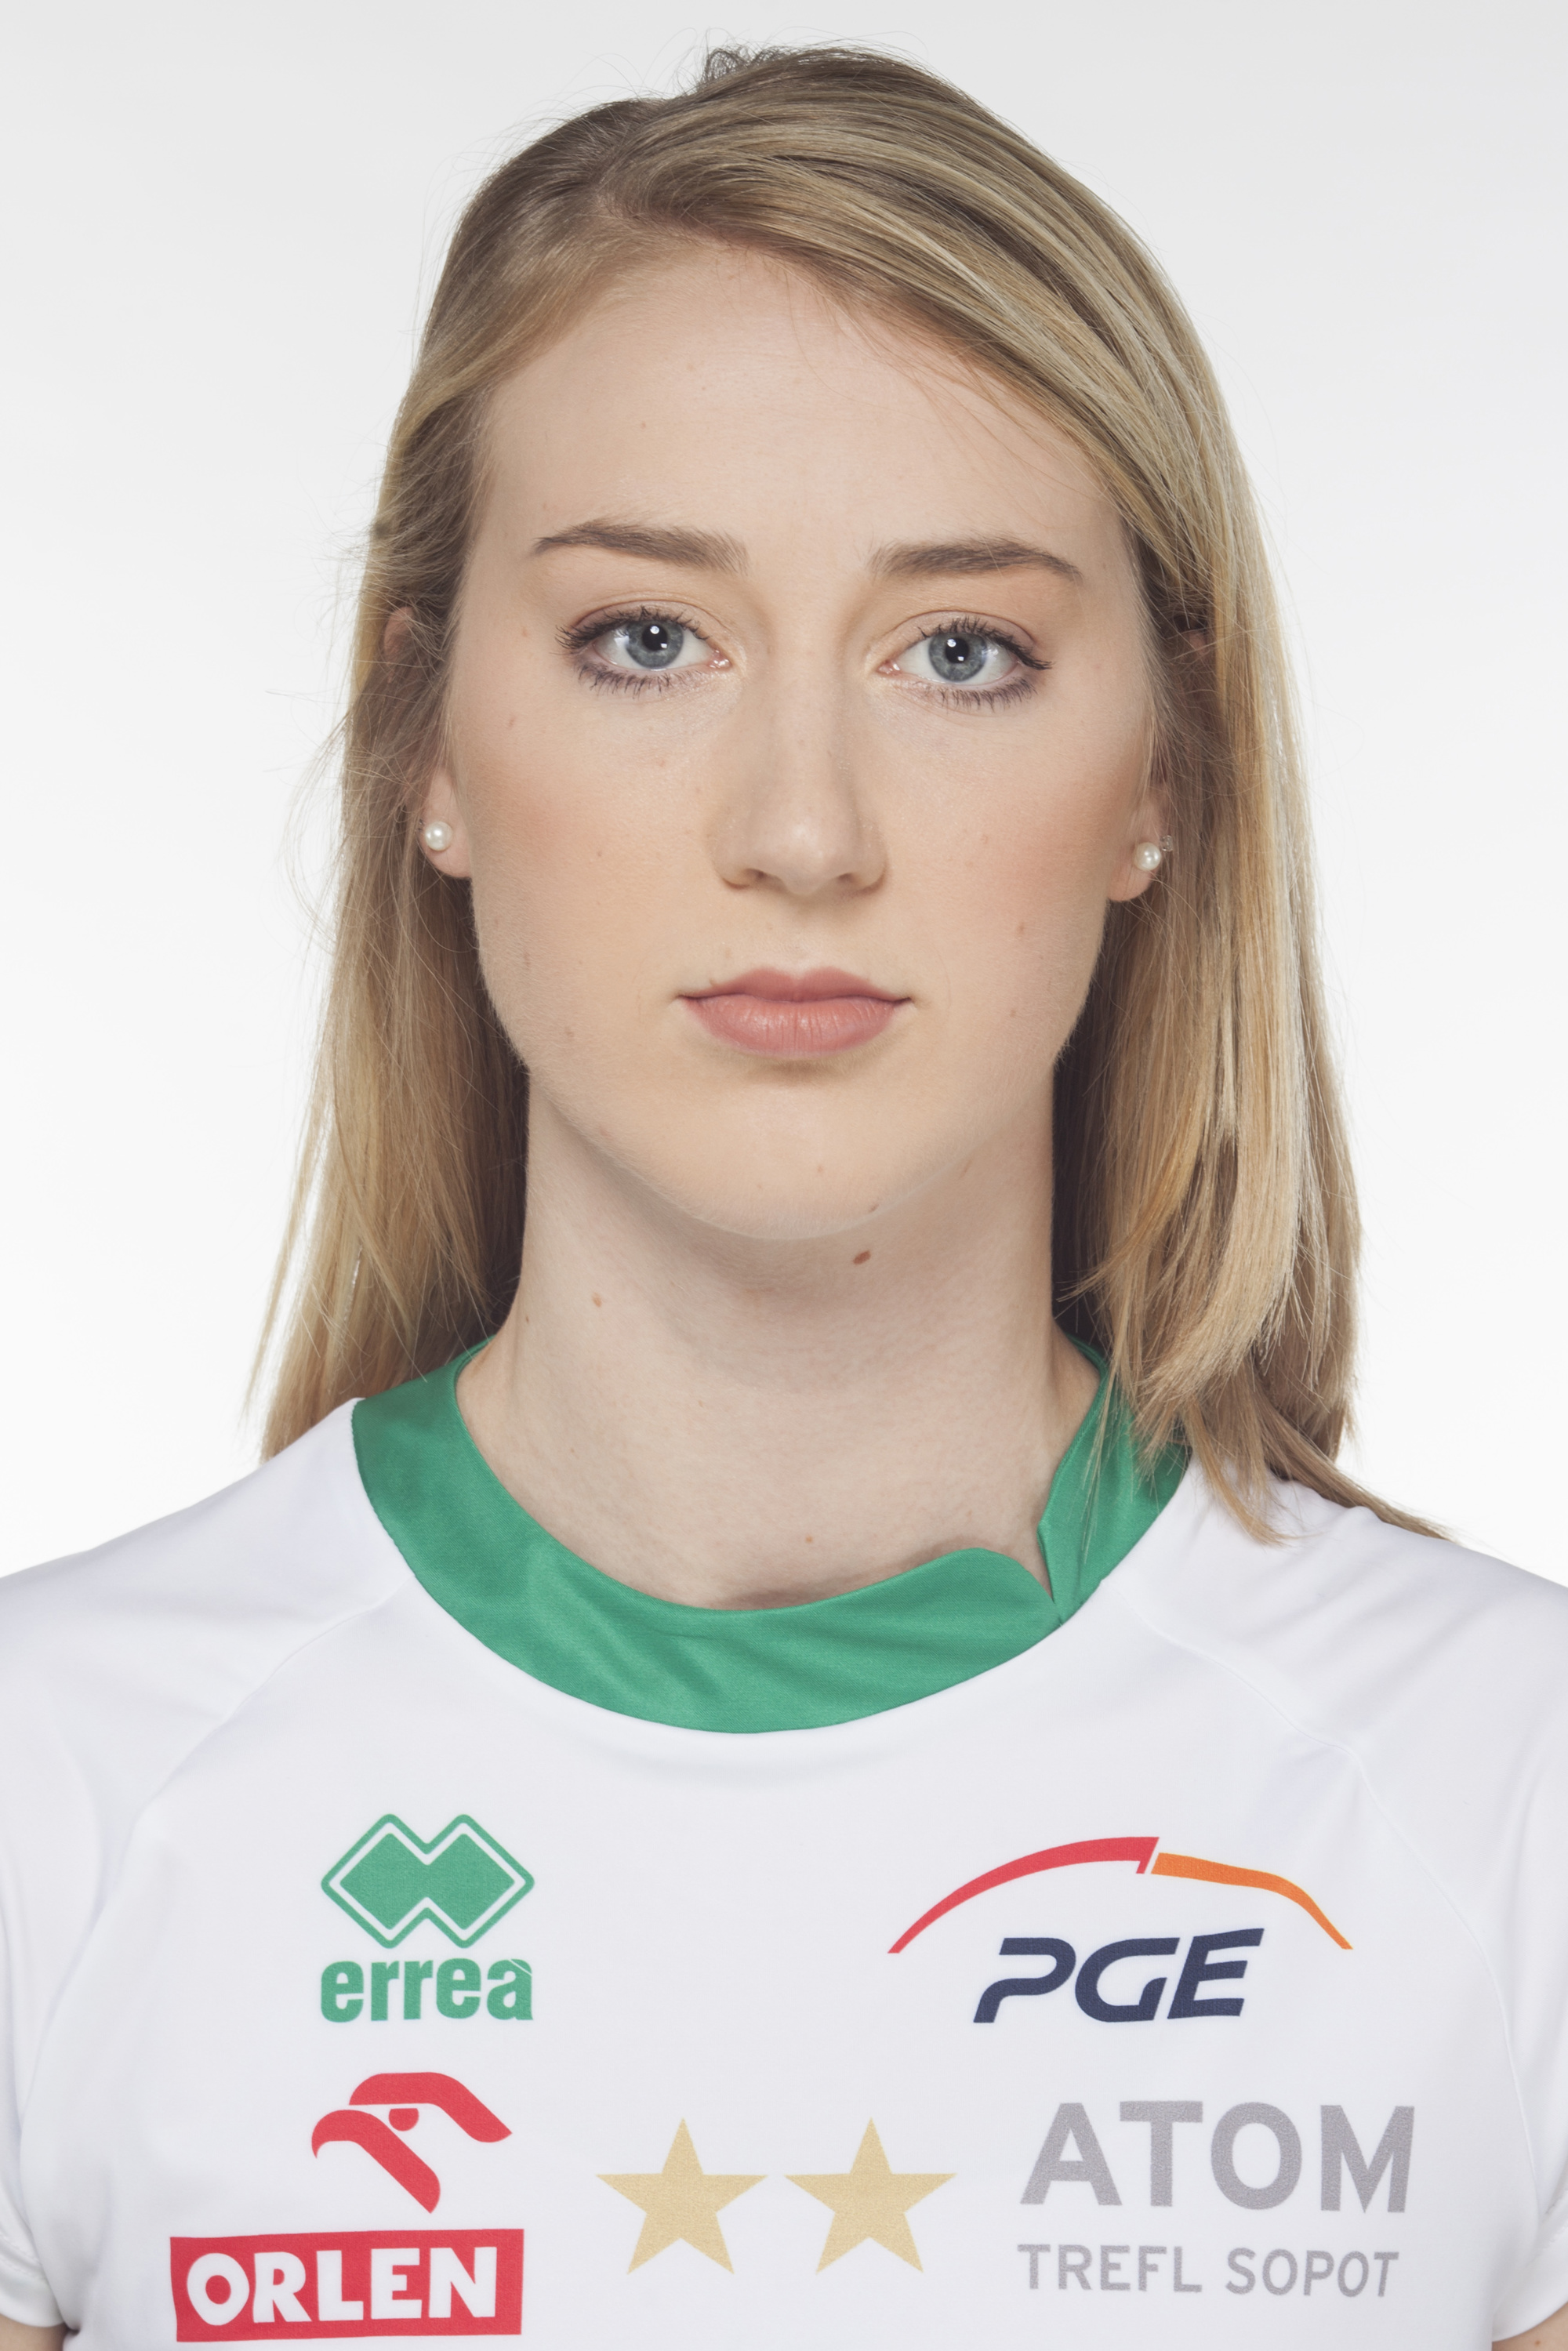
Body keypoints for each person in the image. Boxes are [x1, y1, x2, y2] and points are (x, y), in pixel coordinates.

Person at [1, 43, 1563, 2350]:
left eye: (963, 654)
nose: (805, 831)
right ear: (431, 744)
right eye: (646, 639)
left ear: (1164, 772)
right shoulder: (57, 1791)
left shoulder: (1506, 1803)